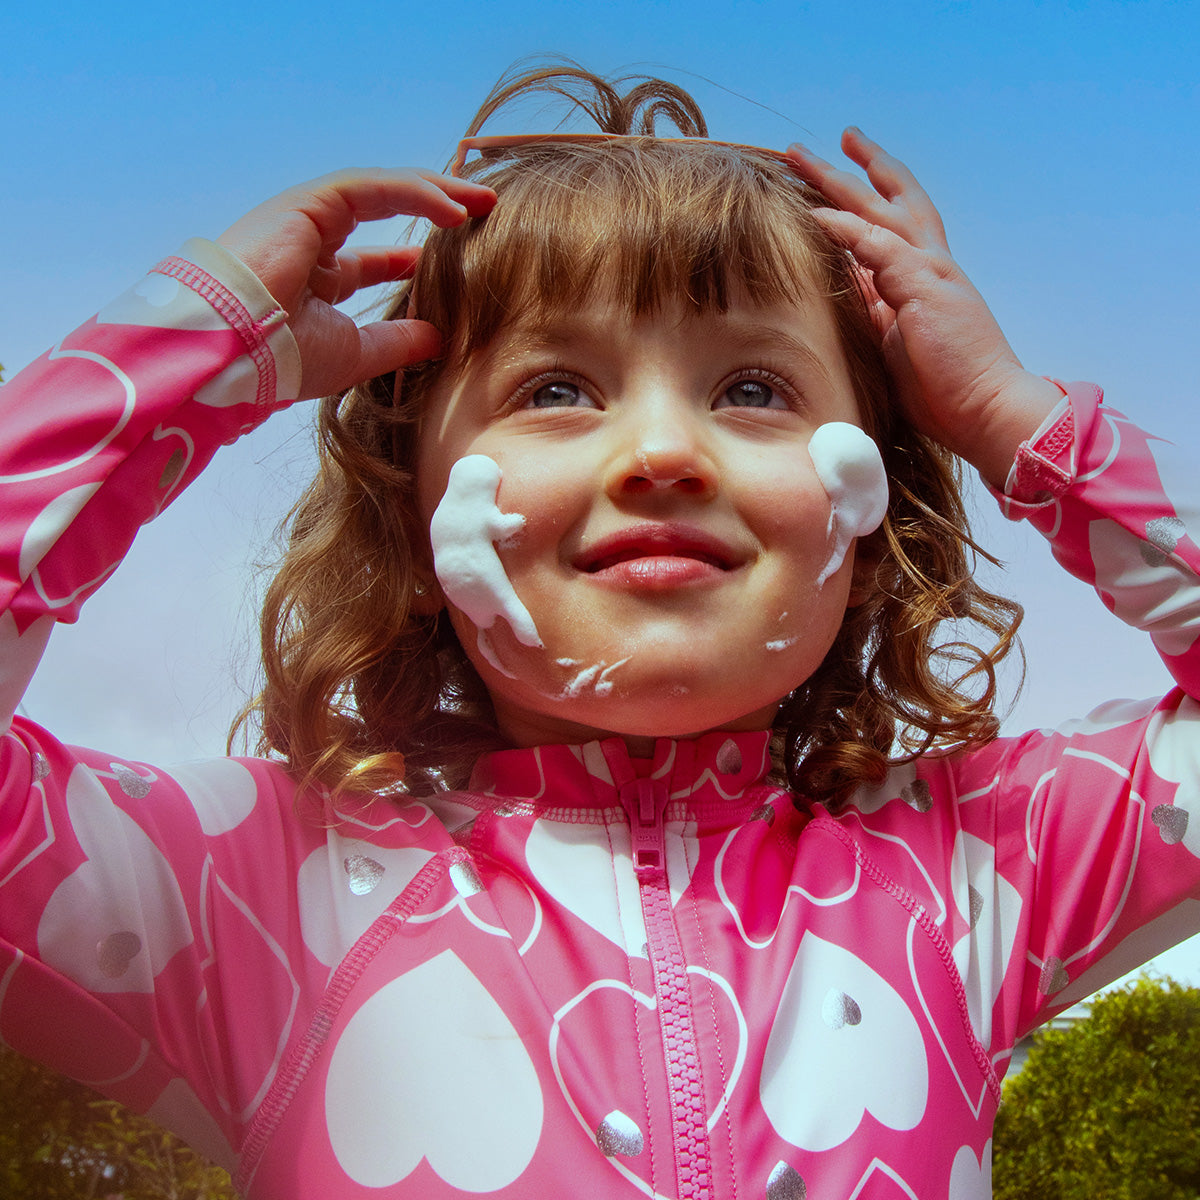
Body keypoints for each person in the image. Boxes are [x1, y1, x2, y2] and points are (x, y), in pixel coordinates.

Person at [1, 62, 1197, 1199]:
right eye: (556, 391)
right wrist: (183, 350)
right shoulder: (247, 899)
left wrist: (1011, 420)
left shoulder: (980, 871)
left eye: (753, 390)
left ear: (872, 532)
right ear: (416, 539)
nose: (665, 453)